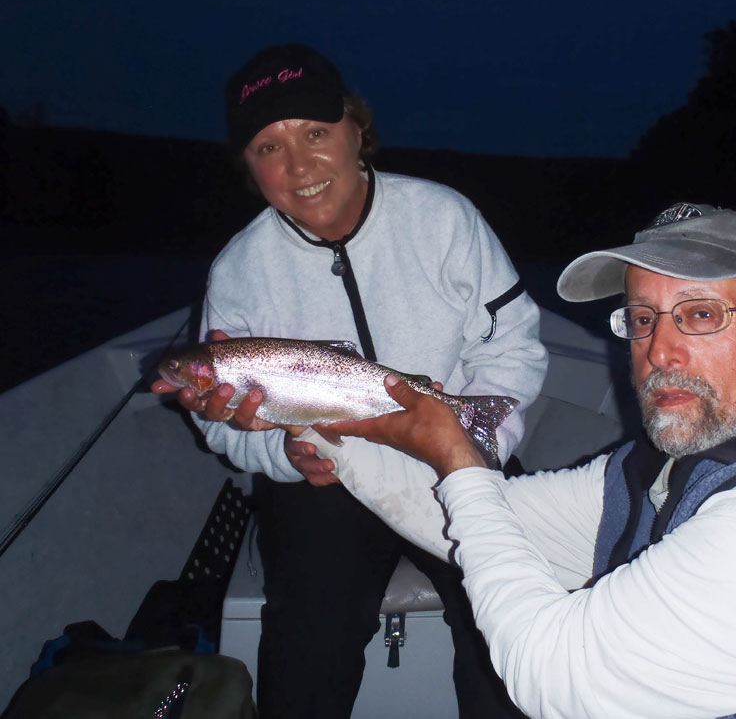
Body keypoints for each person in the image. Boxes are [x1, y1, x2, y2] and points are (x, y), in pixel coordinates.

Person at [305, 202, 736, 718]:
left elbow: (554, 675)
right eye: (642, 318)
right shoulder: (671, 464)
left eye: (701, 314)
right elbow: (483, 518)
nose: (659, 351)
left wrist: (461, 463)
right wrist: (318, 423)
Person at [152, 43, 546, 718]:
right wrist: (280, 450)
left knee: (510, 634)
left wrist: (479, 447)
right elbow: (223, 429)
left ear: (356, 130)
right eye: (269, 147)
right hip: (322, 479)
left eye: (315, 132)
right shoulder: (238, 271)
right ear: (249, 166)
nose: (299, 165)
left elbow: (513, 347)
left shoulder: (444, 219)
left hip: (456, 457)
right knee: (307, 650)